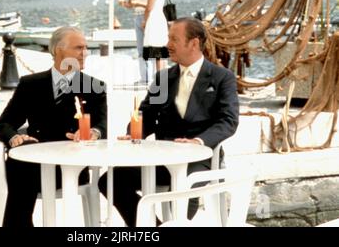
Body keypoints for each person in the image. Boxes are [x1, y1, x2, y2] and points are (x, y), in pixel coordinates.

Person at [98, 17, 239, 226]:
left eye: (174, 39)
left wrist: (199, 141)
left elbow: (228, 121)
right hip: (162, 157)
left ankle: (176, 224)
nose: (167, 45)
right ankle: (153, 228)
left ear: (194, 43)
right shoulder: (163, 78)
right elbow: (145, 113)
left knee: (183, 188)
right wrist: (134, 133)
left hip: (200, 160)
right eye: (168, 38)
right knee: (110, 180)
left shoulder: (221, 77)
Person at [0, 26, 107, 227]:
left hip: (72, 166)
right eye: (78, 48)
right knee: (18, 165)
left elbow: (102, 125)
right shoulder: (31, 84)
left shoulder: (94, 86)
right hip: (34, 166)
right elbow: (4, 123)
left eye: (86, 48)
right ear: (58, 51)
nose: (85, 54)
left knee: (19, 170)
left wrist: (93, 133)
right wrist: (14, 137)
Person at [118, 0, 151, 84]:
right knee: (140, 48)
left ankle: (150, 77)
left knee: (149, 46)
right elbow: (130, 3)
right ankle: (144, 78)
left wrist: (137, 4)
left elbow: (151, 5)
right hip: (137, 16)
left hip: (148, 16)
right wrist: (124, 3)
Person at [141, 0, 169, 76]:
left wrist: (145, 21)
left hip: (154, 18)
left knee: (156, 50)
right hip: (160, 17)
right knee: (160, 50)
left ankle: (159, 77)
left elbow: (149, 7)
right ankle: (161, 76)